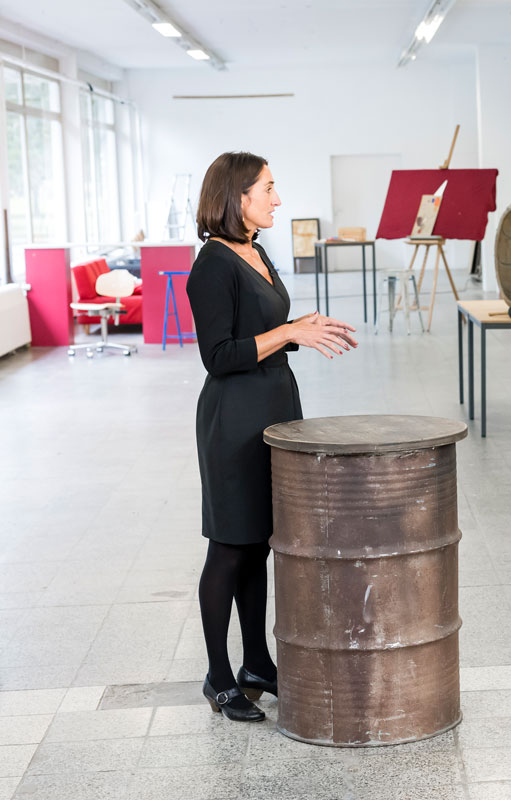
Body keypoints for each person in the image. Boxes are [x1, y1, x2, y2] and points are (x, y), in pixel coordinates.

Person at [187, 152, 358, 721]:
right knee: (230, 547)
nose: (277, 198)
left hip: (275, 413)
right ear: (237, 196)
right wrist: (287, 331)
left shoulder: (256, 251)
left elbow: (260, 333)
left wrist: (298, 331)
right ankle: (218, 677)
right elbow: (219, 356)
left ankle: (257, 662)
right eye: (268, 187)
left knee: (260, 543)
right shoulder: (212, 263)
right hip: (233, 420)